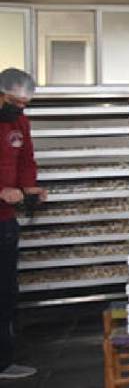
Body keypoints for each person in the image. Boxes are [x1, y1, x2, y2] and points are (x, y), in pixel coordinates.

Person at [0, 68, 45, 381]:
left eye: (24, 104)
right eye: (15, 102)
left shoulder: (20, 122)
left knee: (5, 290)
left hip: (5, 221)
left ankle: (4, 360)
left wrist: (30, 188)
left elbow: (26, 160)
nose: (20, 109)